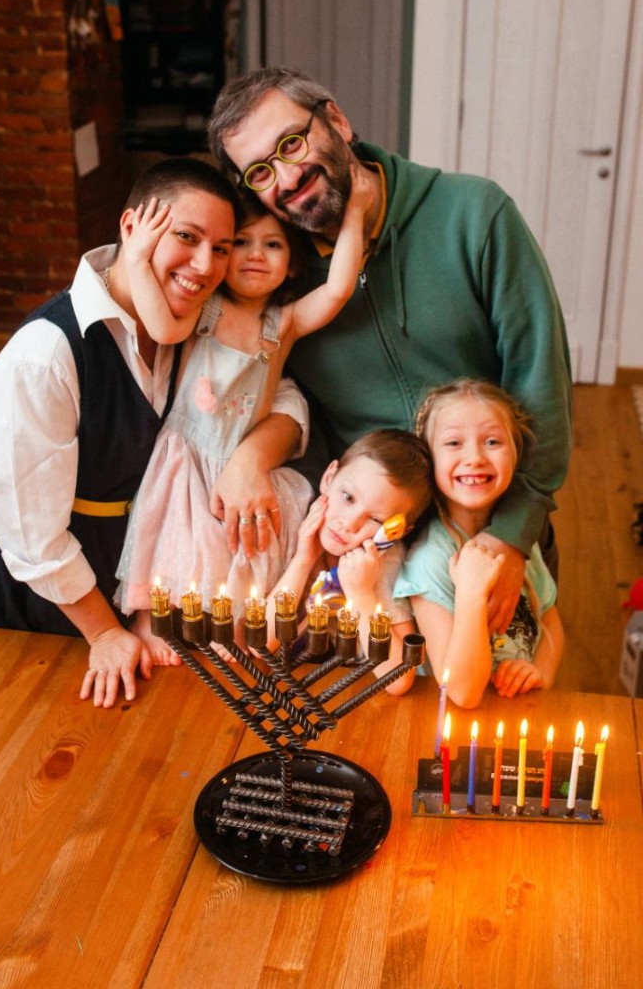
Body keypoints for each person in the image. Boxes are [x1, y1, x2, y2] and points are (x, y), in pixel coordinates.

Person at [207, 66, 573, 639]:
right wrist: (260, 469)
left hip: (490, 540)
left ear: (335, 119)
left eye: (292, 143)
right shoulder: (276, 276)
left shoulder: (474, 214)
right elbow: (291, 407)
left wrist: (510, 536)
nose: (287, 177)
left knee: (493, 692)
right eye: (260, 171)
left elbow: (541, 384)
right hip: (366, 563)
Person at [0, 159, 308, 708]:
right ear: (133, 227)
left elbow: (280, 392)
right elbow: (30, 537)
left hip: (117, 558)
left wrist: (251, 456)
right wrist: (104, 631)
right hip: (15, 574)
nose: (205, 266)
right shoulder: (45, 354)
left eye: (221, 247)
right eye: (186, 237)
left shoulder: (191, 318)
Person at [115, 171, 373, 663]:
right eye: (241, 243)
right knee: (177, 540)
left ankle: (231, 625)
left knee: (237, 546)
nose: (256, 255)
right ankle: (153, 620)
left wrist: (355, 213)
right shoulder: (205, 307)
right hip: (191, 451)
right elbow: (161, 327)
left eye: (272, 245)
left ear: (291, 264)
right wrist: (137, 256)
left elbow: (339, 289)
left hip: (238, 456)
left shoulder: (285, 322)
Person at [394, 379, 565, 708]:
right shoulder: (430, 559)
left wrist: (538, 672)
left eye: (492, 441)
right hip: (449, 724)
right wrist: (471, 593)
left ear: (517, 454)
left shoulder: (519, 542)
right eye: (454, 442)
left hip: (518, 708)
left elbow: (550, 621)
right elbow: (460, 692)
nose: (474, 457)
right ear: (429, 459)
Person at [265, 428, 434, 695]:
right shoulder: (294, 521)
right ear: (329, 477)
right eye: (348, 497)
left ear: (395, 532)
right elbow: (262, 643)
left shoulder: (383, 563)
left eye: (375, 519)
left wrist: (363, 594)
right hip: (281, 688)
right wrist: (302, 561)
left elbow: (399, 680)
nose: (350, 523)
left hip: (348, 694)